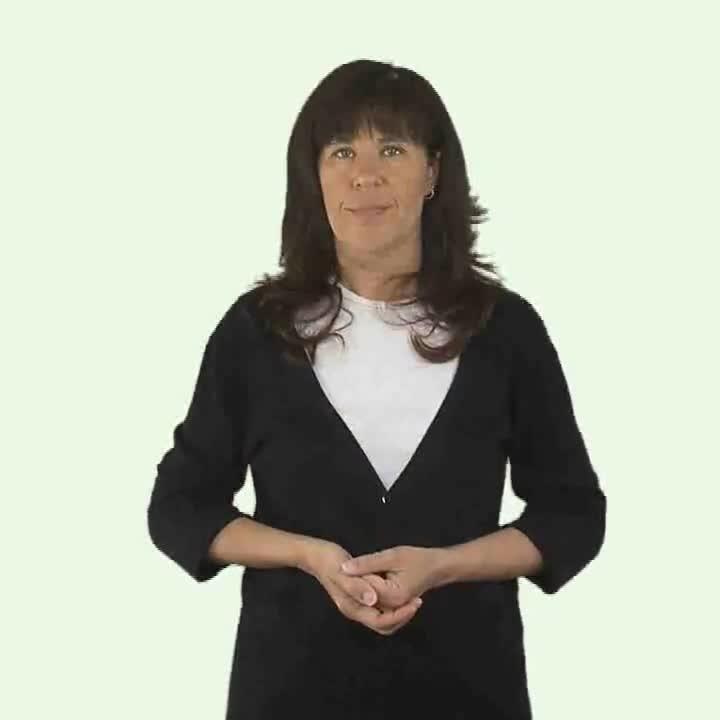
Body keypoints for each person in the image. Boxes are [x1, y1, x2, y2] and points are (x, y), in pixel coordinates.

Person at [147, 59, 607, 719]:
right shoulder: (255, 333)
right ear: (314, 176)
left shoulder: (506, 332)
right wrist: (306, 555)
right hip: (289, 695)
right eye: (342, 152)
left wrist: (444, 565)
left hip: (468, 693)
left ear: (432, 172)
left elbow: (572, 515)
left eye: (391, 149)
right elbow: (179, 506)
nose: (365, 174)